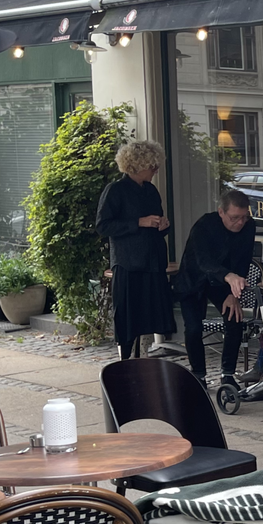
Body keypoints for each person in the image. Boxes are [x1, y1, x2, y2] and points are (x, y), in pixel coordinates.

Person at [97, 140, 174, 360]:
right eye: (152, 166)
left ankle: (144, 356)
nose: (155, 171)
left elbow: (156, 223)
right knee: (128, 316)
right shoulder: (115, 190)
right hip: (128, 263)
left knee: (150, 315)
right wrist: (138, 222)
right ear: (139, 165)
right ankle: (126, 360)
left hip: (152, 261)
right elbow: (103, 226)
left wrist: (163, 225)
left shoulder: (151, 190)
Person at [174, 188, 255, 388]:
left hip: (223, 283)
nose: (240, 222)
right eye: (235, 218)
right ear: (221, 212)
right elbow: (203, 261)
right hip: (194, 279)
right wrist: (229, 277)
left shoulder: (248, 226)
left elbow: (244, 261)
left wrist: (233, 293)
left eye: (244, 217)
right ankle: (199, 375)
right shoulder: (204, 225)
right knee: (193, 328)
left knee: (234, 320)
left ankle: (228, 374)